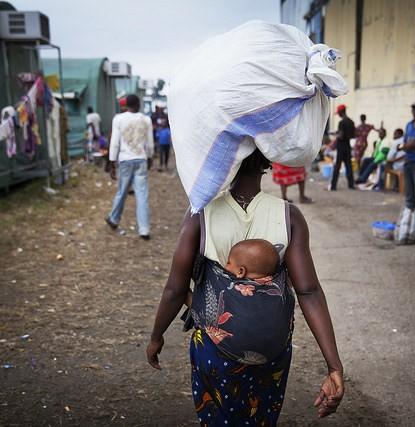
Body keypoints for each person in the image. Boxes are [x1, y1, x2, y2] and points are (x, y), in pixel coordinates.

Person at [147, 149, 344, 424]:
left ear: (226, 161)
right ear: (268, 160)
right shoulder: (288, 216)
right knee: (261, 417)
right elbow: (308, 291)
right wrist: (334, 365)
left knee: (218, 417)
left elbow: (175, 289)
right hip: (271, 353)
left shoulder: (202, 213)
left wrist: (157, 335)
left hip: (215, 350)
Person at [105, 94, 154, 240]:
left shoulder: (118, 119)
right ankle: (144, 229)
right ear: (138, 105)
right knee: (142, 195)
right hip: (141, 159)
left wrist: (112, 162)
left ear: (126, 105)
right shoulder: (146, 120)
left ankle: (114, 218)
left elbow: (114, 142)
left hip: (125, 160)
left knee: (122, 191)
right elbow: (150, 143)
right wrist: (150, 157)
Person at [184, 238, 279, 308]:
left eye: (228, 262)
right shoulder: (277, 292)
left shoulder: (231, 293)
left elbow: (204, 311)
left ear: (241, 271)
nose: (225, 266)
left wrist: (185, 292)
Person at [329, 104, 355, 191]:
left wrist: (334, 134)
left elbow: (341, 136)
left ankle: (333, 186)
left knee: (337, 167)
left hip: (341, 147)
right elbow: (352, 135)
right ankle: (351, 185)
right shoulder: (351, 122)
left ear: (341, 112)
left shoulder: (341, 122)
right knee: (349, 166)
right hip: (347, 146)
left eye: (339, 113)